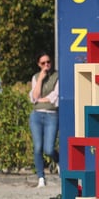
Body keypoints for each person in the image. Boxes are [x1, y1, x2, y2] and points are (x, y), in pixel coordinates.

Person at [29, 51, 59, 188]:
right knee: (38, 147)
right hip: (36, 115)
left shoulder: (57, 76)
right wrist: (40, 78)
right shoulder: (36, 77)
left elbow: (54, 97)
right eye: (43, 63)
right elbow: (34, 97)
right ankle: (41, 177)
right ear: (38, 65)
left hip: (51, 114)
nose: (46, 65)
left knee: (49, 148)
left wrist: (41, 99)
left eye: (48, 62)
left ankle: (58, 161)